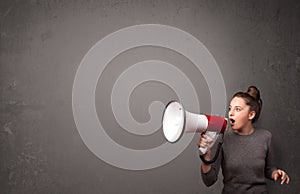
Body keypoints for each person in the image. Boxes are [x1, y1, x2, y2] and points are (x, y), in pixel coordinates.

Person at [198, 86, 290, 194]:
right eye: (230, 108)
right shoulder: (223, 138)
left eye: (237, 109)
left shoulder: (265, 137)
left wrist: (275, 173)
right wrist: (206, 157)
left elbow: (269, 169)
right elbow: (209, 181)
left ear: (251, 115)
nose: (230, 113)